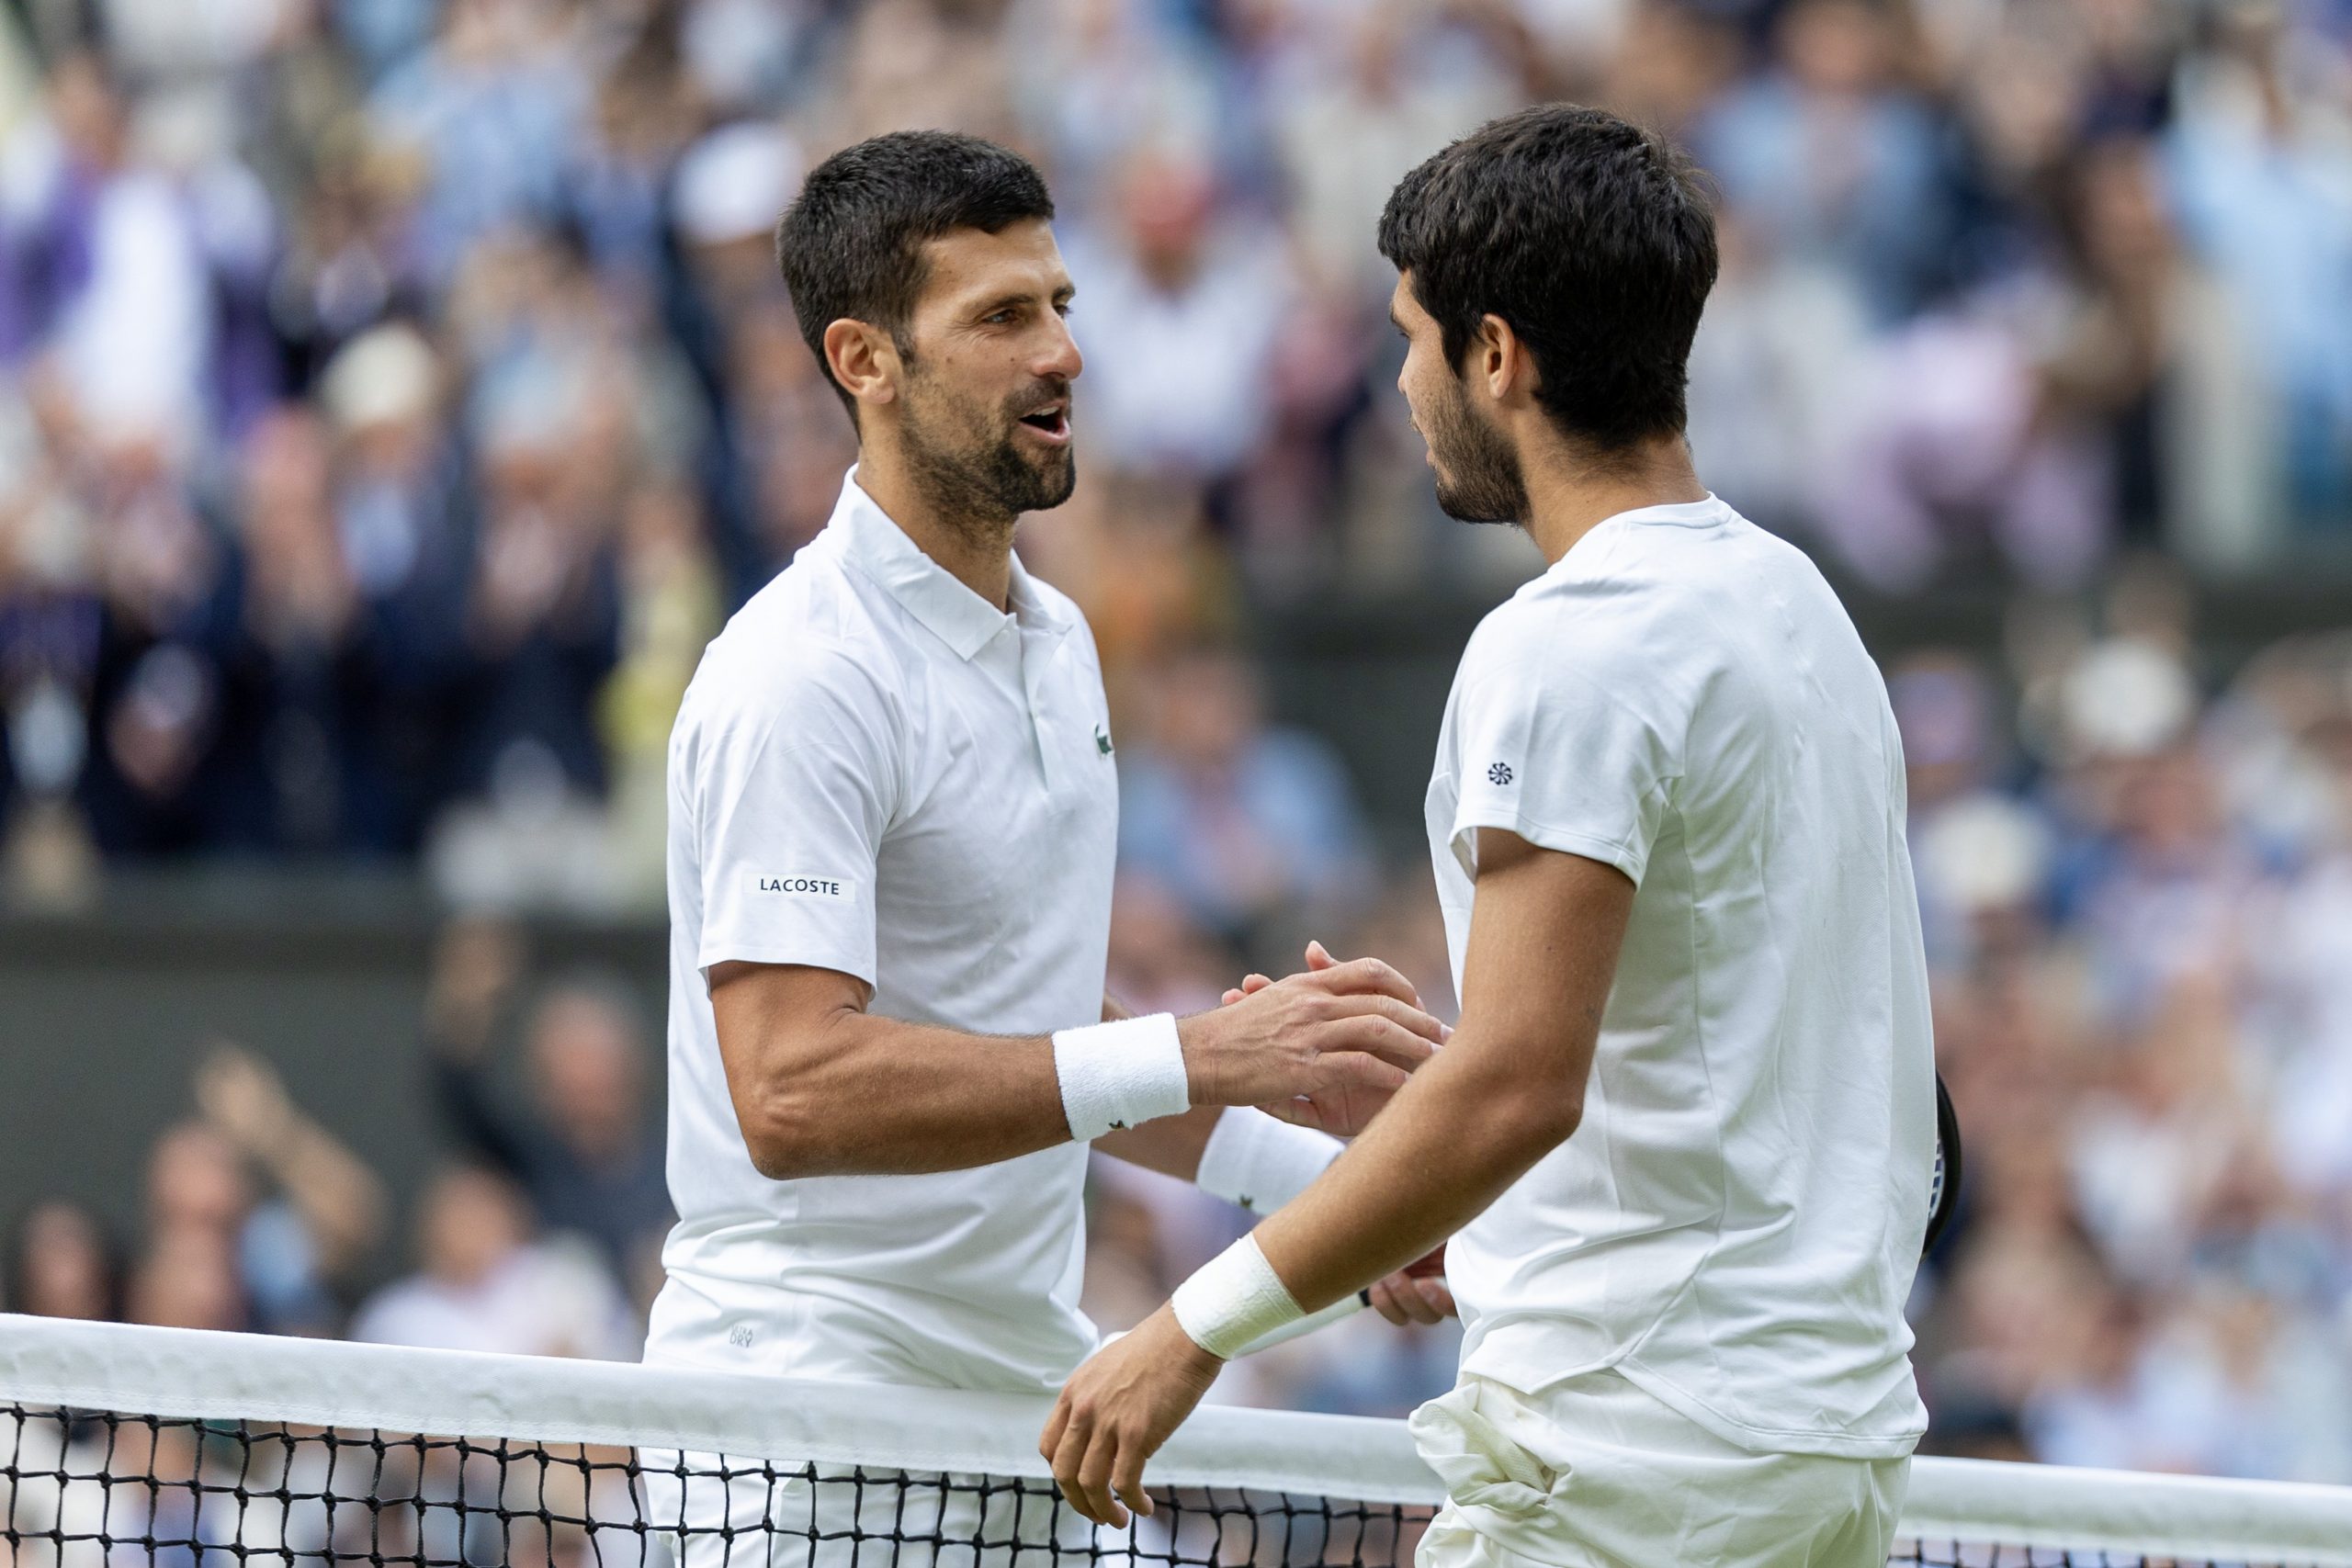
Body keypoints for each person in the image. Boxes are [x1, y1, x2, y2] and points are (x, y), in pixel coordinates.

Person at [1045, 104, 1937, 1568]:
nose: (1403, 384)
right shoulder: (1801, 609)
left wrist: (1190, 1331)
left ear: (1499, 355)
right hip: (1815, 1450)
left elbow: (1525, 1083)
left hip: (1630, 1454)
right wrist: (1453, 1184)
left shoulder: (1568, 644)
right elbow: (1685, 1057)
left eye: (1413, 339)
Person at [640, 130, 1445, 1563]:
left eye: (1062, 306)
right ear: (863, 362)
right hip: (800, 1433)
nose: (1063, 351)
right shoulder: (799, 678)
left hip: (1027, 1410)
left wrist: (1338, 1197)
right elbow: (791, 1092)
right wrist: (1206, 1052)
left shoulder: (1062, 642)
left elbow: (1036, 1039)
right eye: (1003, 317)